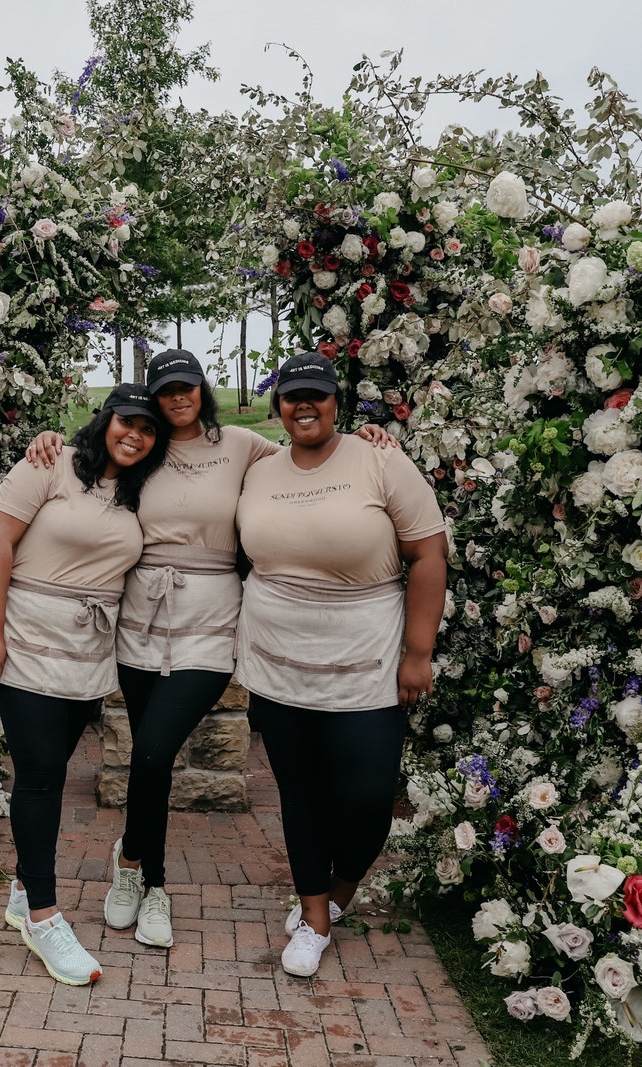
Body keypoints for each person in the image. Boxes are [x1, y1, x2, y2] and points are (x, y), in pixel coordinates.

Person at [25, 350, 396, 951]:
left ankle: (142, 870)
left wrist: (363, 438)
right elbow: (83, 461)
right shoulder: (143, 448)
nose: (176, 398)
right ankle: (143, 879)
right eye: (165, 389)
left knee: (151, 753)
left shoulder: (244, 445)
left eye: (186, 386)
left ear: (202, 390)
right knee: (151, 765)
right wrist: (49, 440)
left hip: (210, 618)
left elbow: (314, 460)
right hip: (140, 617)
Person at [234, 350, 448, 977]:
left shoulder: (380, 460)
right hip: (278, 658)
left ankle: (341, 887)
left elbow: (428, 555)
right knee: (298, 792)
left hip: (367, 657)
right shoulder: (261, 468)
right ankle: (314, 917)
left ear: (337, 403)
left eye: (318, 395)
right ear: (277, 408)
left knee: (368, 798)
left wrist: (418, 652)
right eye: (292, 396)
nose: (305, 405)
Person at [0, 383, 169, 986]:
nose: (134, 434)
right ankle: (44, 915)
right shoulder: (49, 463)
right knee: (39, 778)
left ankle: (21, 889)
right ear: (105, 419)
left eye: (147, 427)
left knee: (50, 768)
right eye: (125, 421)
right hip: (28, 641)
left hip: (88, 654)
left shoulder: (142, 492)